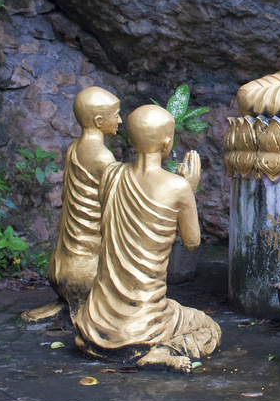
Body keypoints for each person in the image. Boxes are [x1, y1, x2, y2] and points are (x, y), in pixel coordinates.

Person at [73, 105, 220, 372]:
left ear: (130, 139)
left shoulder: (111, 175)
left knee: (174, 307)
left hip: (95, 325)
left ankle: (108, 343)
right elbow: (192, 243)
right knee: (209, 328)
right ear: (167, 142)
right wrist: (190, 189)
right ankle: (161, 351)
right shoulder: (177, 187)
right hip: (146, 319)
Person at [20, 86, 120, 323]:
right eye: (116, 114)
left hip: (61, 265)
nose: (120, 120)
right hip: (87, 271)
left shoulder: (74, 148)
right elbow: (116, 208)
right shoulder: (102, 156)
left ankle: (70, 303)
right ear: (98, 120)